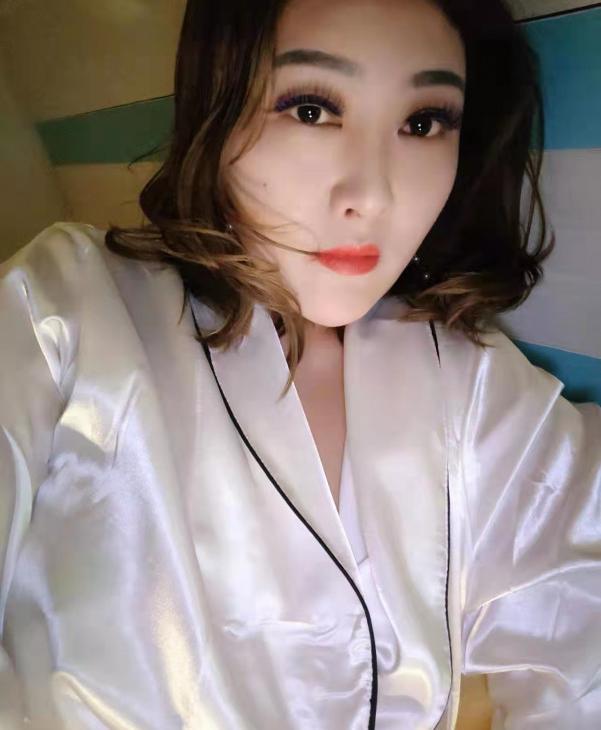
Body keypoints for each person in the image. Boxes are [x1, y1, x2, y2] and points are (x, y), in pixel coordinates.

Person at [1, 0, 600, 728]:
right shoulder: (66, 308)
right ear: (217, 107)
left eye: (422, 122)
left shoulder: (471, 380)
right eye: (311, 110)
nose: (371, 196)